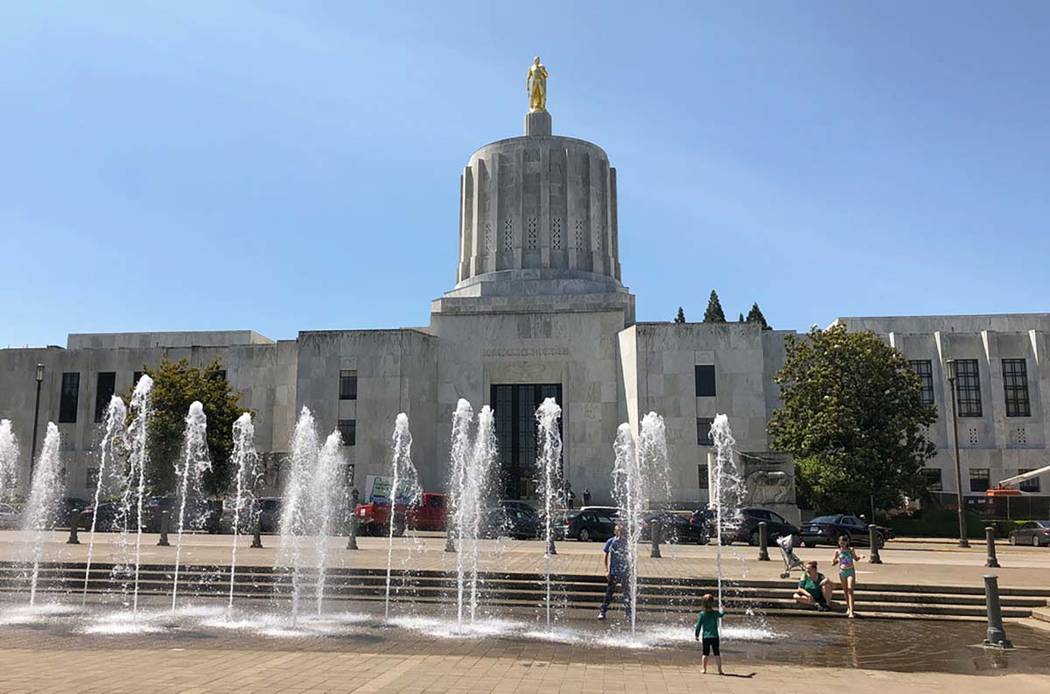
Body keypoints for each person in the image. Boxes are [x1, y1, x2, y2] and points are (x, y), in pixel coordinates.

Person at [598, 524, 631, 620]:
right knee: (609, 593)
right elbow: (605, 556)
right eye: (618, 530)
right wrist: (606, 570)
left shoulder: (627, 543)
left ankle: (628, 613)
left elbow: (631, 557)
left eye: (621, 530)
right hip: (613, 572)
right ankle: (603, 611)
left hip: (624, 572)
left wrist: (631, 570)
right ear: (615, 532)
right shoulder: (611, 541)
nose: (620, 532)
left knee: (627, 593)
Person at [693, 593, 726, 675]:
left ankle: (704, 669)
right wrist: (723, 609)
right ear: (712, 603)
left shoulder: (702, 614)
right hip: (715, 636)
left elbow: (698, 626)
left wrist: (696, 634)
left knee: (705, 653)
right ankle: (720, 670)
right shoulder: (715, 613)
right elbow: (721, 615)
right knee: (717, 653)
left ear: (703, 603)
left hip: (706, 637)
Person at [833, 535, 862, 618]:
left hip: (850, 571)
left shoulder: (850, 550)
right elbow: (833, 562)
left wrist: (860, 556)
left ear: (847, 542)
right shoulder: (837, 551)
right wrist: (836, 560)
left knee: (850, 589)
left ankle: (852, 611)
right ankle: (848, 608)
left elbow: (855, 558)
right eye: (841, 543)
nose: (842, 544)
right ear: (838, 542)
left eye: (844, 542)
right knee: (845, 590)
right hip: (842, 572)